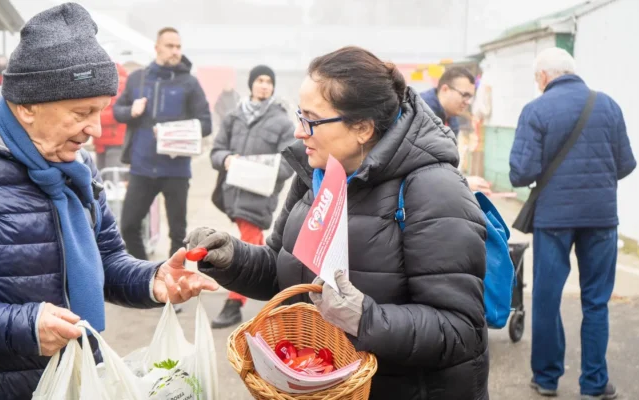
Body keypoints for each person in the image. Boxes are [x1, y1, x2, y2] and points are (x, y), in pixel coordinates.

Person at [0, 5, 217, 400]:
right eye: (82, 112)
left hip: (74, 383)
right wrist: (21, 326)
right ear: (28, 106)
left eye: (102, 110)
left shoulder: (78, 169)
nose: (96, 128)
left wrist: (151, 279)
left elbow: (104, 259)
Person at [186, 46, 489, 399]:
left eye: (311, 120)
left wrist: (364, 319)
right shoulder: (315, 175)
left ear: (362, 127)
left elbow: (460, 330)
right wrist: (232, 257)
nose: (299, 132)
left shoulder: (434, 190)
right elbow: (283, 272)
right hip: (324, 384)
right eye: (299, 115)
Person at [510, 47, 635, 400]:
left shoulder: (536, 110)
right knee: (596, 300)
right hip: (601, 218)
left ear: (544, 77)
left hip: (554, 219)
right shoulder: (608, 105)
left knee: (547, 298)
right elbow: (625, 164)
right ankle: (594, 384)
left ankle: (547, 379)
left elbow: (521, 173)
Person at [113, 27, 212, 260]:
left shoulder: (190, 83)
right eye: (170, 46)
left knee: (178, 235)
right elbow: (117, 111)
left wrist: (176, 132)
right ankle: (144, 277)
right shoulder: (138, 79)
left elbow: (206, 124)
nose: (175, 51)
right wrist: (131, 110)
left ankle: (173, 278)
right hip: (142, 166)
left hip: (176, 169)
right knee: (128, 225)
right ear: (157, 47)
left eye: (178, 47)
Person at [208, 65, 295, 329]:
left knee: (248, 243)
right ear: (251, 84)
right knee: (254, 245)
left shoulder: (282, 121)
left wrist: (263, 172)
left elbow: (289, 162)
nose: (264, 85)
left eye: (269, 81)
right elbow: (216, 151)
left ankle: (235, 303)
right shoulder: (234, 117)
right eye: (260, 80)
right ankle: (279, 295)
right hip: (233, 193)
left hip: (258, 195)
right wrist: (226, 160)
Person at [419, 67, 492, 194]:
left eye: (470, 97)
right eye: (464, 95)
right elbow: (423, 169)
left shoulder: (452, 120)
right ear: (445, 89)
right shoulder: (421, 114)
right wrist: (462, 181)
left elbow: (446, 164)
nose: (467, 102)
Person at [96, 62, 129, 170]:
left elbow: (115, 115)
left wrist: (91, 116)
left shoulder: (120, 84)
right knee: (103, 179)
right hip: (101, 141)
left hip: (115, 142)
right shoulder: (102, 82)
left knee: (112, 178)